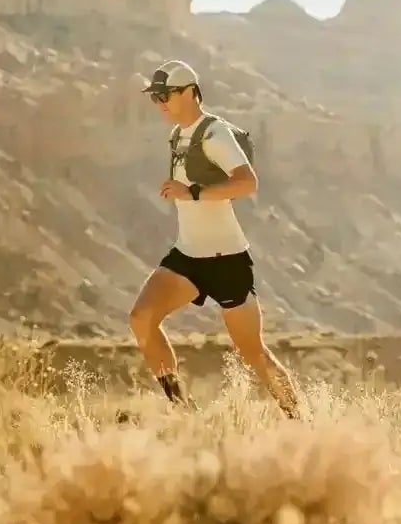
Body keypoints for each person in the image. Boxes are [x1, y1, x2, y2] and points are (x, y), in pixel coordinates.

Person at [126, 59, 301, 417]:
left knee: (253, 354)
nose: (159, 103)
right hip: (188, 255)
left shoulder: (214, 134)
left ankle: (302, 420)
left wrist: (190, 192)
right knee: (141, 319)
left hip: (226, 261)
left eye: (165, 95)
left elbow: (247, 182)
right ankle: (184, 413)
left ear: (189, 91)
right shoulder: (177, 135)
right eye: (154, 97)